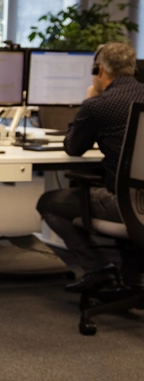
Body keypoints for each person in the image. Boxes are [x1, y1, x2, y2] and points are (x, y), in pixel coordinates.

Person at [37, 42, 144, 292]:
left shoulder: (98, 105)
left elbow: (73, 147)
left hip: (127, 204)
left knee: (49, 203)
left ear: (100, 70)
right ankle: (131, 278)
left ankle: (99, 269)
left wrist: (89, 100)